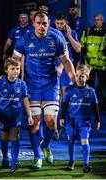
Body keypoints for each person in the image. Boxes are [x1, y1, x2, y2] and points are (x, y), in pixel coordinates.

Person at [12, 11, 75, 169]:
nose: (42, 26)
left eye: (45, 23)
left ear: (49, 24)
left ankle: (46, 145)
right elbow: (15, 60)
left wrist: (73, 78)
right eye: (39, 23)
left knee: (51, 121)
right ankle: (38, 156)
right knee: (34, 123)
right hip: (31, 85)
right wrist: (12, 79)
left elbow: (66, 61)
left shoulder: (57, 38)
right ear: (34, 23)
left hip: (50, 84)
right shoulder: (24, 39)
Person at [0, 57, 33, 173]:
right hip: (3, 114)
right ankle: (5, 157)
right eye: (13, 69)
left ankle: (14, 162)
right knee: (4, 137)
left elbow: (25, 99)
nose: (16, 71)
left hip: (16, 114)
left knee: (14, 136)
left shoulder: (22, 84)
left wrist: (29, 115)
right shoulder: (0, 82)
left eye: (17, 69)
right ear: (6, 70)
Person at [60, 64, 100, 173]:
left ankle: (86, 164)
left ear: (87, 77)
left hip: (84, 122)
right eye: (77, 76)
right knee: (71, 142)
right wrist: (62, 117)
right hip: (71, 121)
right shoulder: (69, 90)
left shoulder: (90, 91)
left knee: (85, 141)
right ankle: (71, 161)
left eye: (82, 76)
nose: (79, 78)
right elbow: (64, 104)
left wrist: (97, 120)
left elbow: (95, 106)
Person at [53, 12, 81, 140]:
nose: (59, 26)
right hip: (53, 69)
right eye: (57, 23)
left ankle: (66, 127)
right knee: (55, 99)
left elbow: (78, 50)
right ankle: (56, 128)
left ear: (66, 23)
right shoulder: (51, 32)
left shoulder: (72, 32)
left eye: (61, 23)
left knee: (66, 98)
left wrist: (69, 36)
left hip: (66, 70)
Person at [81, 13, 106, 110]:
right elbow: (82, 43)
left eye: (98, 20)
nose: (97, 21)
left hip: (102, 64)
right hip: (89, 64)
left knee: (102, 87)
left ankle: (101, 106)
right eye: (95, 19)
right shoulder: (88, 31)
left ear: (102, 20)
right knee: (88, 86)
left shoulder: (105, 31)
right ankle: (90, 105)